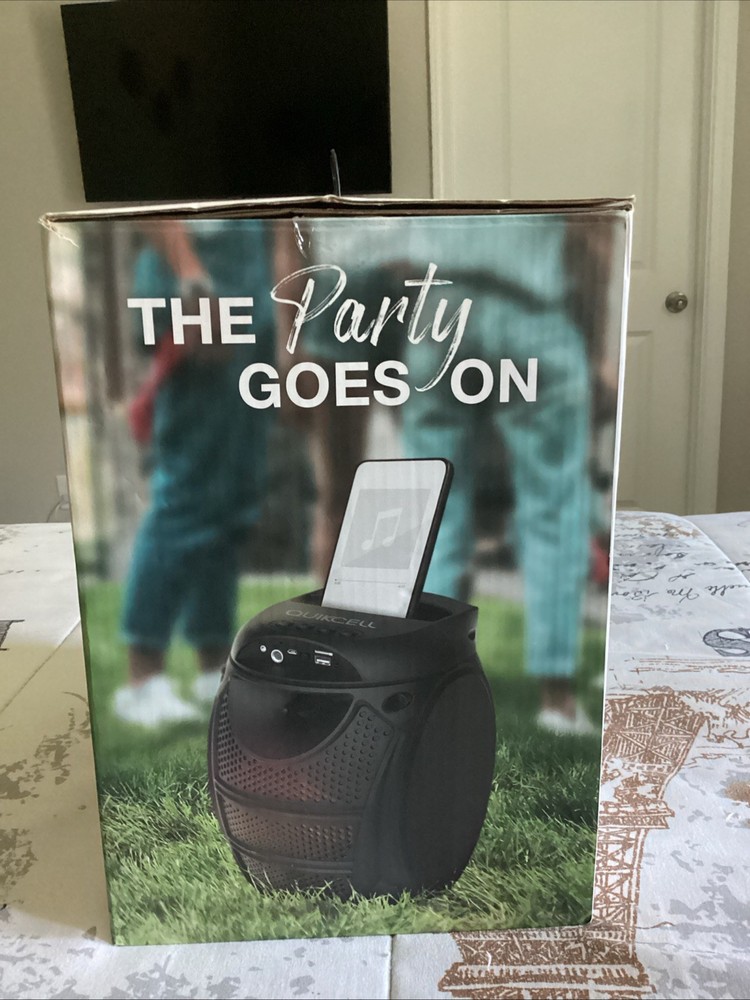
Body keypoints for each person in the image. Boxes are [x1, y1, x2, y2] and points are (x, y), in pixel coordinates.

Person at [113, 219, 275, 727]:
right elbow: (151, 200)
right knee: (186, 492)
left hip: (247, 294)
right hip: (200, 287)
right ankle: (142, 679)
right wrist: (193, 281)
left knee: (230, 501)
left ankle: (213, 668)